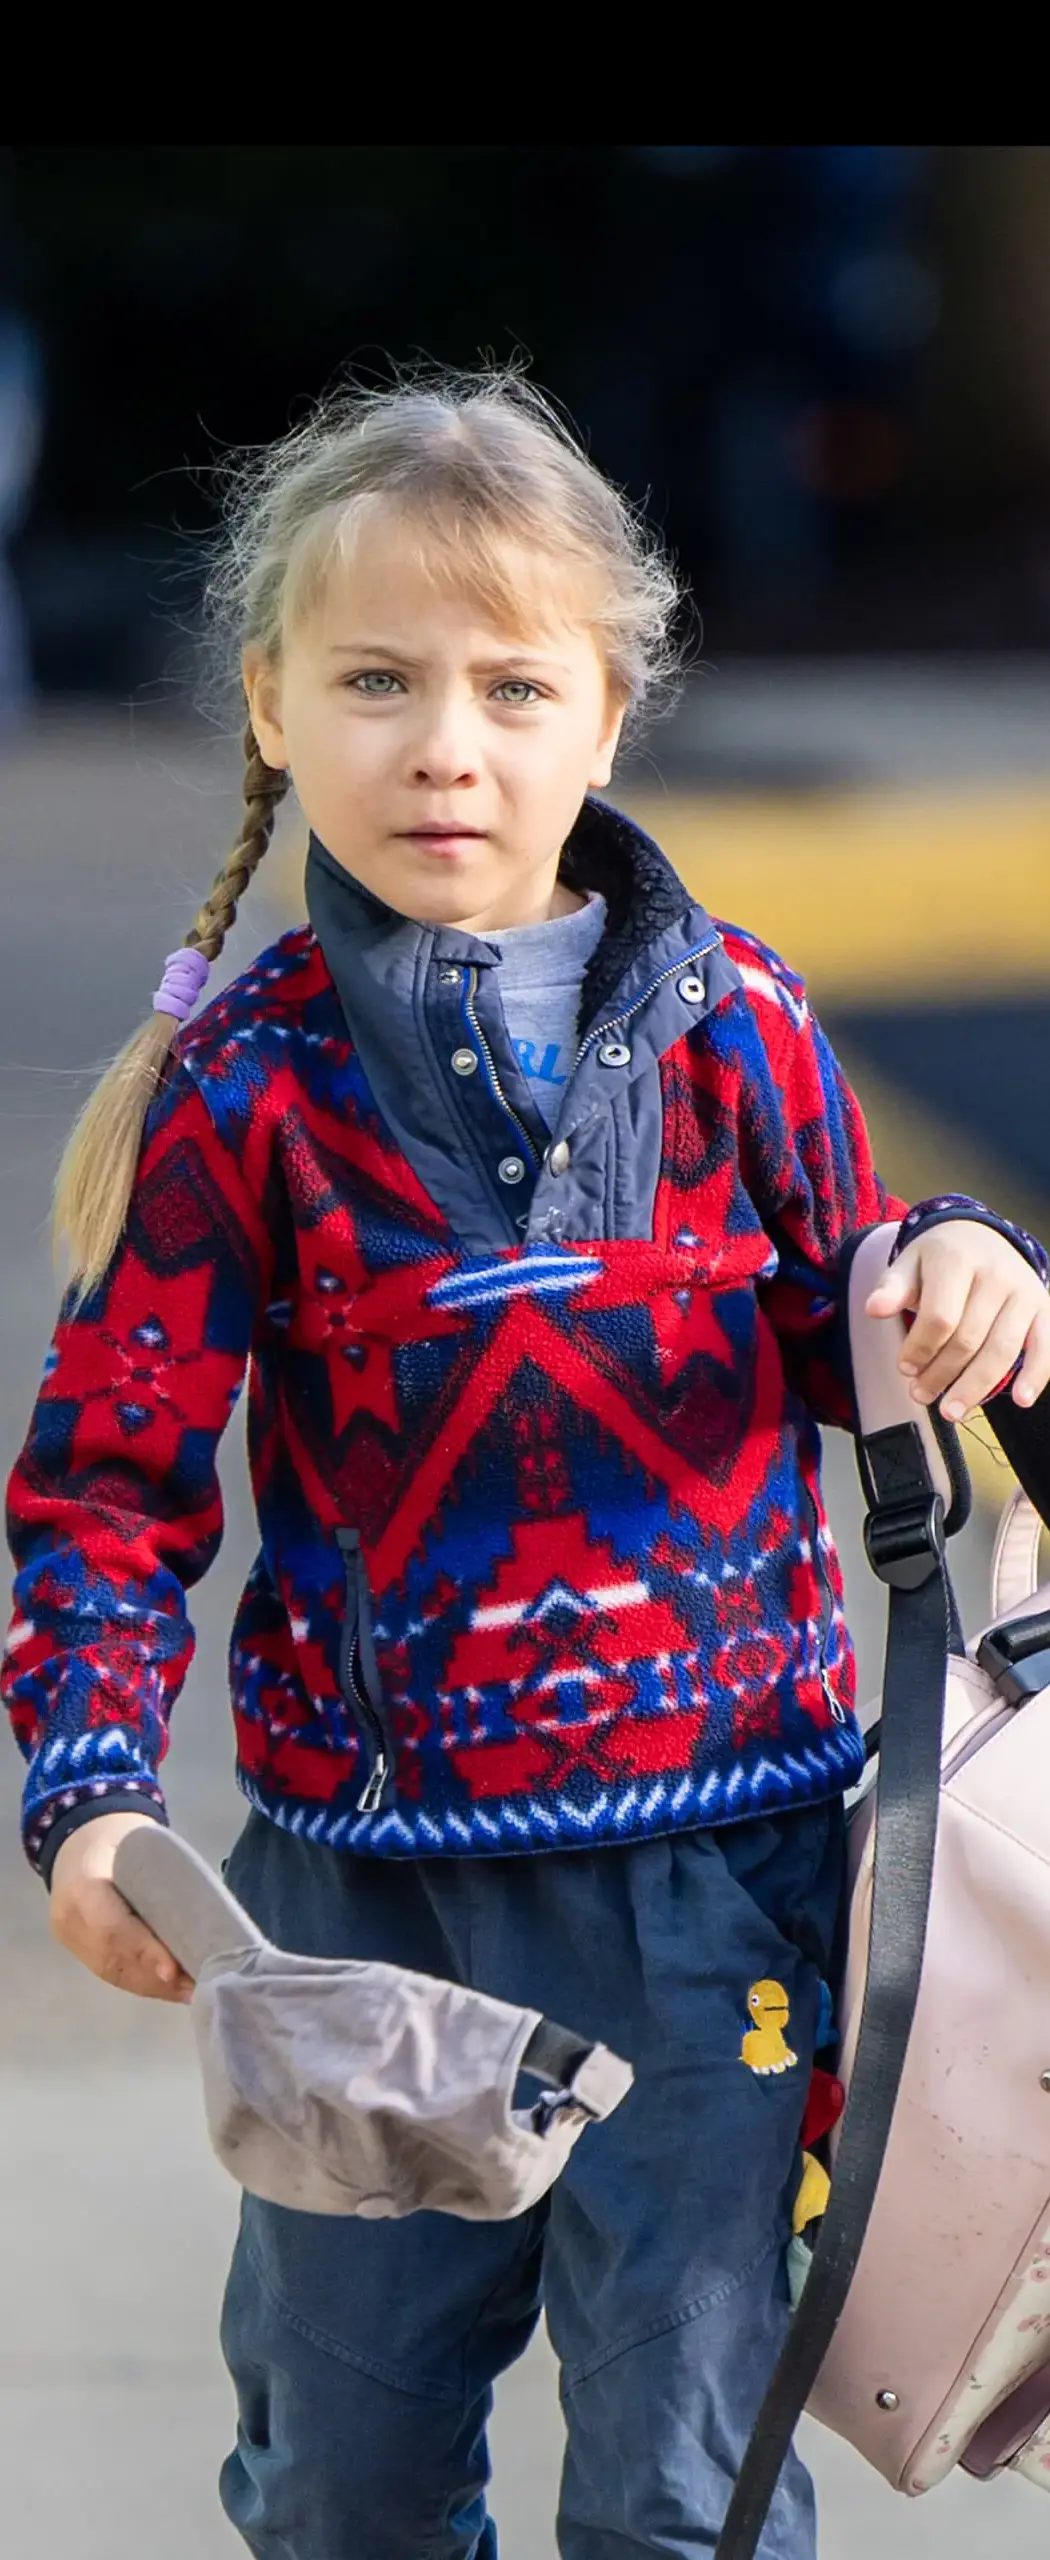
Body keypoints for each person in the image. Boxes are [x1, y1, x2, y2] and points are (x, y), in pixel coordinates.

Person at [3, 370, 1049, 2560]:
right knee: (350, 2482)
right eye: (375, 680)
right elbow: (108, 1479)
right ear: (274, 705)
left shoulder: (738, 1025)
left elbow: (845, 1314)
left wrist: (956, 1262)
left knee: (689, 2487)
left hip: (719, 1897)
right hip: (361, 1918)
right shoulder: (246, 1093)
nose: (444, 744)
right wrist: (90, 1781)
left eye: (509, 684)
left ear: (609, 712)